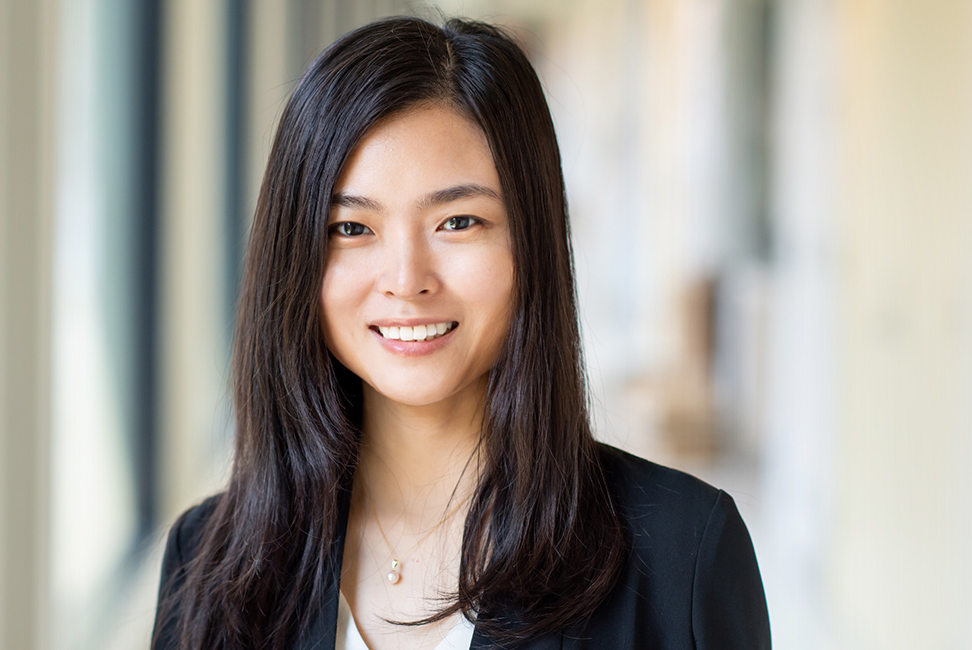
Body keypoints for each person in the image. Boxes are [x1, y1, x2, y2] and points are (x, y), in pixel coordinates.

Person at [151, 16, 769, 650]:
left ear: (532, 240)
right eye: (352, 228)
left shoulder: (680, 556)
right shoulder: (207, 563)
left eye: (459, 221)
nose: (405, 279)